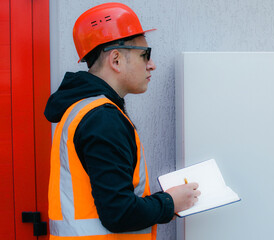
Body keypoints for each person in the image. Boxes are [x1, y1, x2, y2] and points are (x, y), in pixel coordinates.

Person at [44, 3, 200, 240]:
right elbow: (119, 213)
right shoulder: (102, 119)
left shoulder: (83, 110)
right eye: (144, 55)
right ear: (115, 59)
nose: (152, 64)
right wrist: (170, 202)